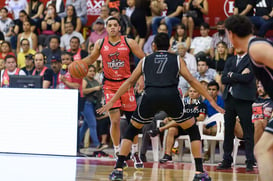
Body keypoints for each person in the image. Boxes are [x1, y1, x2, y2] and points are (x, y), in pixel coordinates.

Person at [96, 32, 224, 181]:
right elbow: (192, 81)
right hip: (171, 96)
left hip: (150, 96)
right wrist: (211, 100)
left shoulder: (145, 60)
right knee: (193, 130)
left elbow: (129, 82)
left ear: (153, 46)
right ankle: (199, 172)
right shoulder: (177, 59)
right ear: (169, 47)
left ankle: (118, 169)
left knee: (131, 130)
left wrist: (113, 100)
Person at [79, 17, 145, 169]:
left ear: (119, 28)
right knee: (114, 120)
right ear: (106, 28)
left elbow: (144, 59)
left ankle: (134, 152)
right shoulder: (100, 44)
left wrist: (141, 77)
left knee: (132, 122)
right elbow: (91, 58)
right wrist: (79, 63)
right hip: (109, 85)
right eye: (110, 25)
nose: (113, 27)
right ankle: (117, 153)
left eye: (115, 25)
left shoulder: (129, 42)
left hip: (127, 84)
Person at [225, 15, 273, 181]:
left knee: (262, 150)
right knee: (263, 149)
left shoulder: (256, 47)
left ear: (231, 34)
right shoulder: (253, 49)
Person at [218, 48, 256, 171]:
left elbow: (247, 78)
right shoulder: (230, 60)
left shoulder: (251, 60)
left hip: (244, 100)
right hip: (229, 99)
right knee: (228, 130)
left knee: (248, 130)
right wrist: (237, 75)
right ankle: (226, 159)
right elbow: (223, 79)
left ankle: (250, 160)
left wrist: (232, 74)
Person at [149, 86, 207, 163]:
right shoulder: (183, 104)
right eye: (190, 91)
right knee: (171, 129)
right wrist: (169, 118)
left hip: (191, 127)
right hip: (180, 126)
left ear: (199, 94)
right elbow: (176, 115)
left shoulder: (201, 105)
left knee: (182, 119)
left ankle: (160, 129)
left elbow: (201, 117)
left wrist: (190, 119)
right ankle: (168, 155)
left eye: (194, 92)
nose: (192, 93)